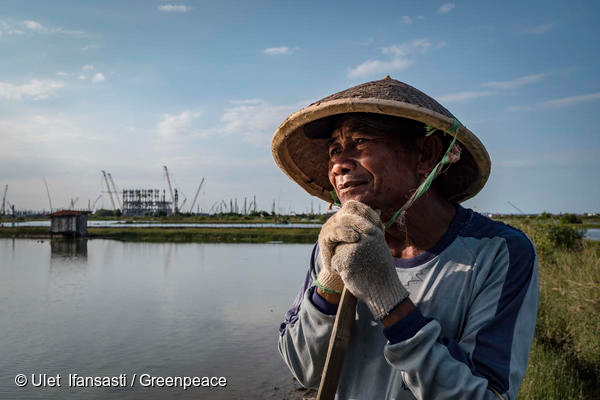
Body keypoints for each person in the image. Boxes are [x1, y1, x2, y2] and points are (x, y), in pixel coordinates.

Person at [272, 77, 538, 400]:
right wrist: (330, 280)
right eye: (335, 150)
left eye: (360, 142)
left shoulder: (498, 254)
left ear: (425, 154)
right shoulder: (336, 247)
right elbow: (304, 369)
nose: (339, 164)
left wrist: (388, 298)